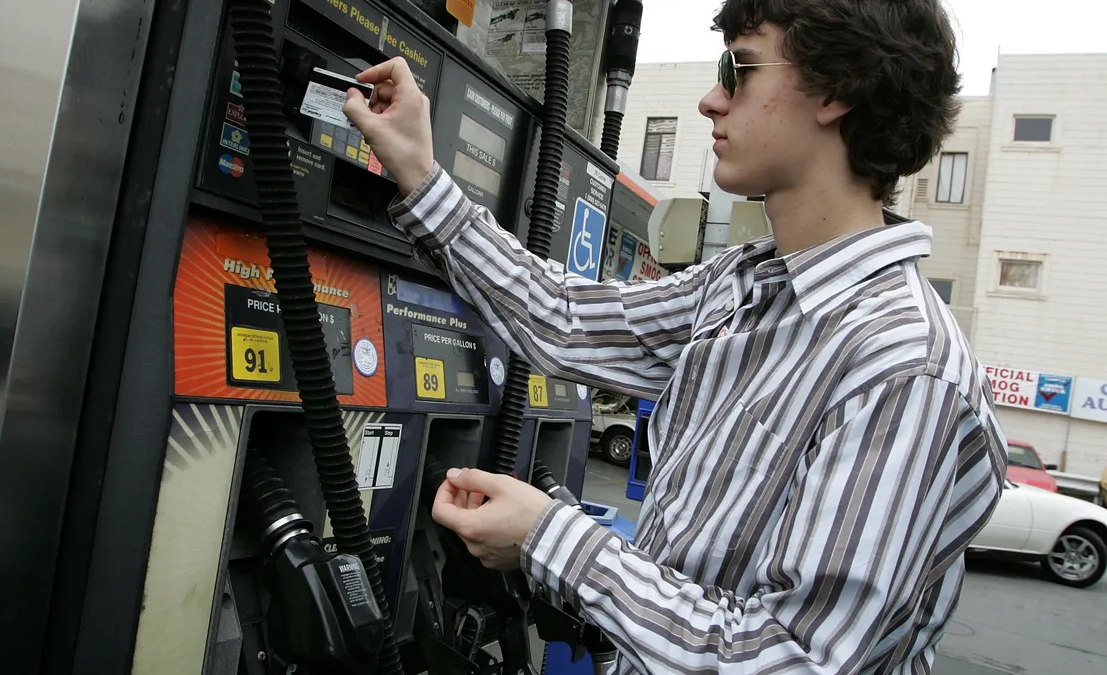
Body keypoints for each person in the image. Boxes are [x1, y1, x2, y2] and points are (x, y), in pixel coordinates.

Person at [343, 0, 1008, 672]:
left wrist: (551, 537)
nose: (711, 100)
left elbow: (795, 658)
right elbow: (564, 317)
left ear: (837, 88)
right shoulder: (741, 286)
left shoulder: (904, 369)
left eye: (739, 70)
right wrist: (420, 175)